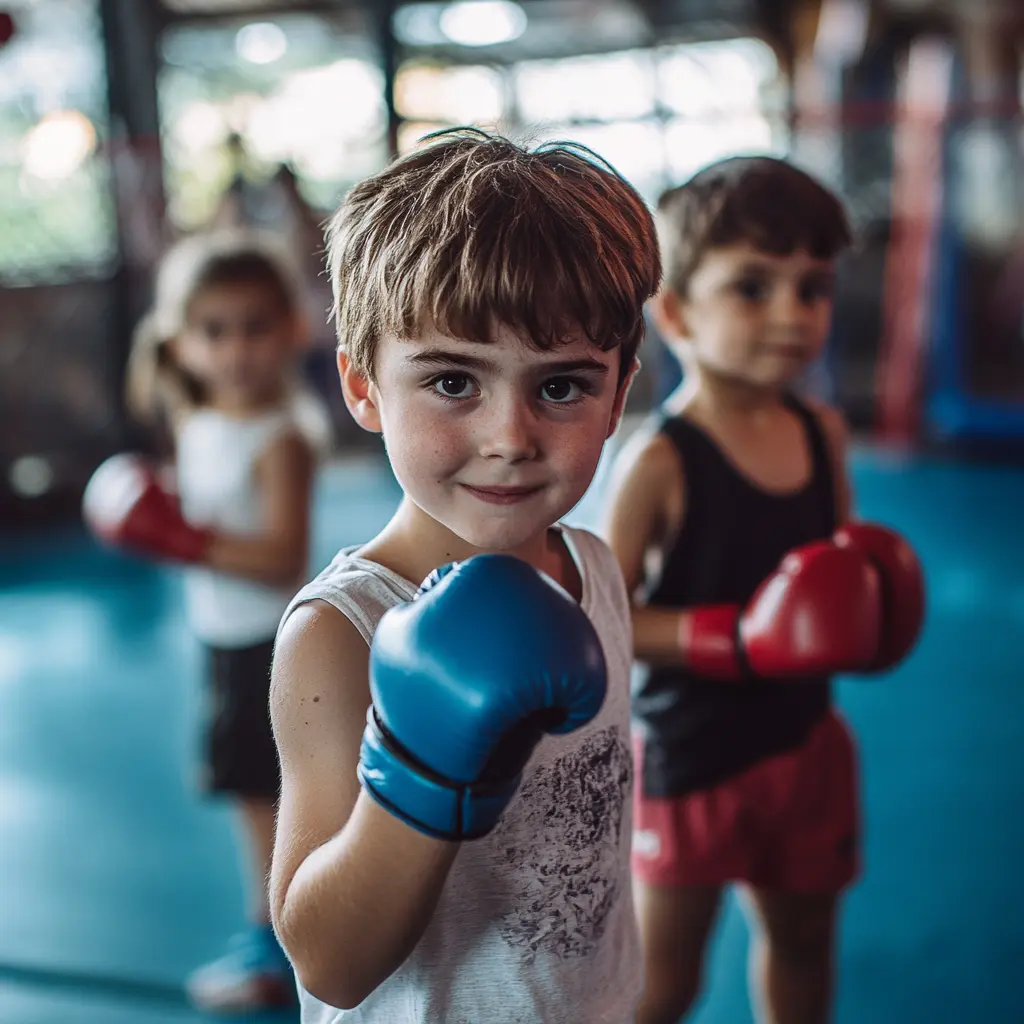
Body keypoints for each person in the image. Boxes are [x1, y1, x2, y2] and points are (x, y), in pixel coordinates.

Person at [267, 128, 661, 1023]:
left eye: (561, 386)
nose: (510, 438)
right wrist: (422, 774)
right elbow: (329, 962)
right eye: (453, 382)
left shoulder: (591, 569)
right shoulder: (341, 630)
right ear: (363, 387)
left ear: (618, 394)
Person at [603, 156, 924, 1024]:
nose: (791, 313)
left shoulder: (821, 433)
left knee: (805, 947)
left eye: (812, 288)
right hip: (690, 758)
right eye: (751, 287)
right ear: (676, 315)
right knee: (661, 984)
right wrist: (733, 637)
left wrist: (873, 616)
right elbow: (599, 620)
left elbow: (836, 580)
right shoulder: (661, 460)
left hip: (806, 744)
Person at [83, 229, 323, 1012]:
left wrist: (183, 537)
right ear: (181, 342)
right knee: (252, 799)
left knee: (268, 804)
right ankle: (282, 935)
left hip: (268, 645)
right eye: (215, 331)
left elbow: (282, 555)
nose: (237, 349)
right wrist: (171, 510)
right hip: (224, 639)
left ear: (289, 327)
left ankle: (277, 947)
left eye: (256, 326)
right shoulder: (200, 421)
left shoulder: (280, 436)